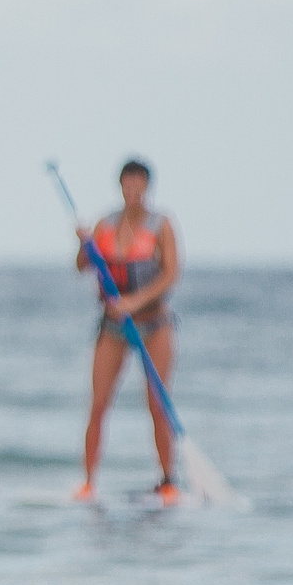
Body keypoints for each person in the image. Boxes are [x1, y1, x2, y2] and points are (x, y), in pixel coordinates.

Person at [74, 157, 184, 504]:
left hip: (154, 323)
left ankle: (167, 481)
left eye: (138, 182)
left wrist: (135, 303)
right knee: (99, 403)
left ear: (147, 186)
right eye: (127, 182)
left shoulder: (161, 224)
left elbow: (171, 273)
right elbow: (82, 266)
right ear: (120, 185)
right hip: (114, 326)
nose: (132, 188)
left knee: (157, 402)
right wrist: (84, 242)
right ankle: (88, 483)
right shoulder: (105, 223)